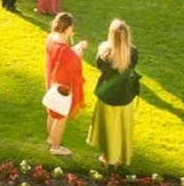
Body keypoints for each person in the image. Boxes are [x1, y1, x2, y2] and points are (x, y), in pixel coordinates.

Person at [87, 19, 139, 168]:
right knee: (121, 127)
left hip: (107, 95)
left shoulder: (104, 50)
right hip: (125, 95)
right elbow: (133, 66)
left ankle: (107, 157)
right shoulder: (133, 52)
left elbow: (98, 66)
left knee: (107, 128)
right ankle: (118, 158)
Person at [44, 13, 87, 157]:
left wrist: (75, 48)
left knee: (52, 113)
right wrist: (79, 56)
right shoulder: (63, 48)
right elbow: (73, 65)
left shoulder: (51, 38)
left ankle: (51, 139)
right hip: (63, 86)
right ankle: (55, 147)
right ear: (67, 28)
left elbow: (64, 56)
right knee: (61, 117)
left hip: (53, 83)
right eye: (71, 28)